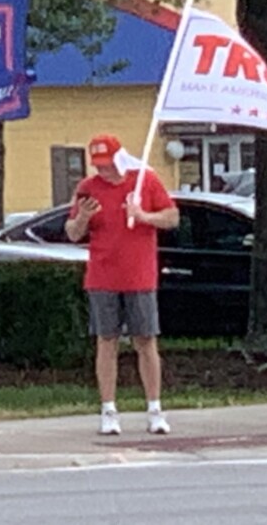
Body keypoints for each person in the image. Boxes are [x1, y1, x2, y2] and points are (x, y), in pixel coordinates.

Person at [65, 134, 180, 435]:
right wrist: (83, 219)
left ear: (119, 159)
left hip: (139, 275)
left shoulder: (145, 181)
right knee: (107, 341)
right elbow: (73, 233)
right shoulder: (87, 189)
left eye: (107, 164)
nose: (102, 171)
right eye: (98, 165)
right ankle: (108, 410)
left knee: (146, 340)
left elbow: (172, 217)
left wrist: (143, 216)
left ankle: (154, 408)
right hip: (102, 276)